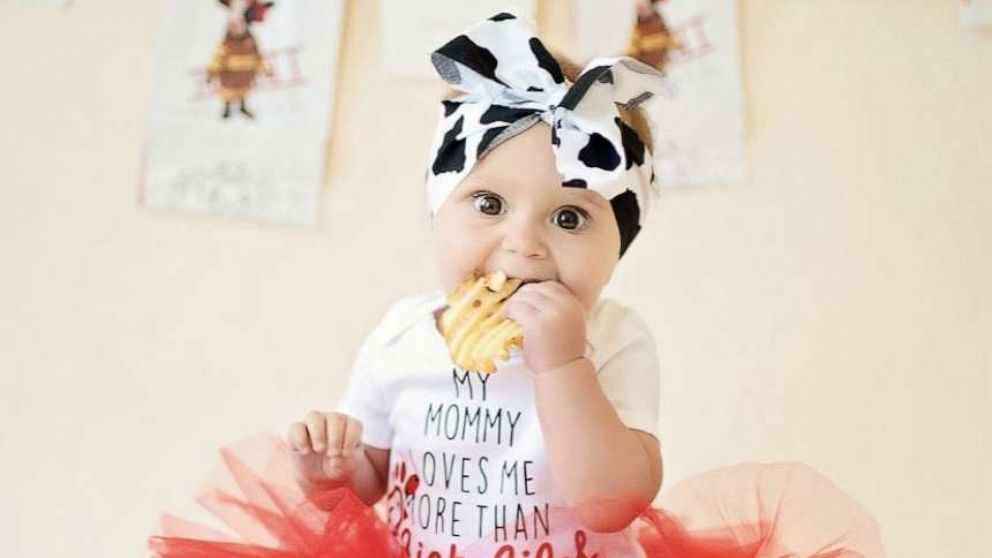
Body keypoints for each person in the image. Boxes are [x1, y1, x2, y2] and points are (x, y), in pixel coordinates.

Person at [149, 12, 886, 558]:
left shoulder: (611, 340)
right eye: (490, 204)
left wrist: (562, 363)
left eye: (570, 215)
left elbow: (613, 500)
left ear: (619, 243)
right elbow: (377, 475)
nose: (524, 243)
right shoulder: (401, 333)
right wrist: (332, 468)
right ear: (439, 210)